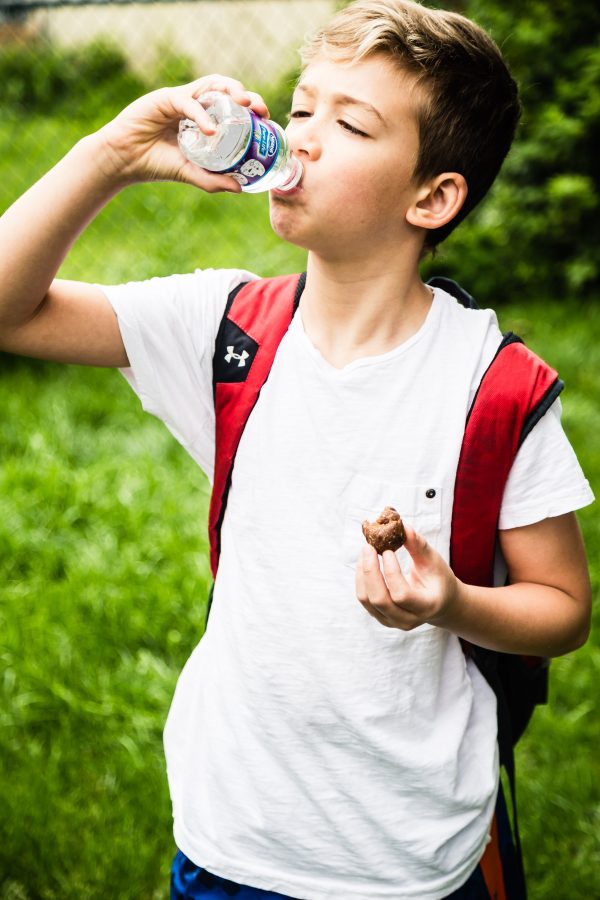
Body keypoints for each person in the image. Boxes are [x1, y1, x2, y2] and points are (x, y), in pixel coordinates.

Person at [0, 1, 594, 898]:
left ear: (431, 198)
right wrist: (111, 156)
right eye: (302, 107)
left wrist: (452, 603)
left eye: (351, 123)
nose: (304, 137)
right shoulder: (225, 329)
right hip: (231, 836)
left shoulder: (493, 386)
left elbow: (563, 607)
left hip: (412, 859)